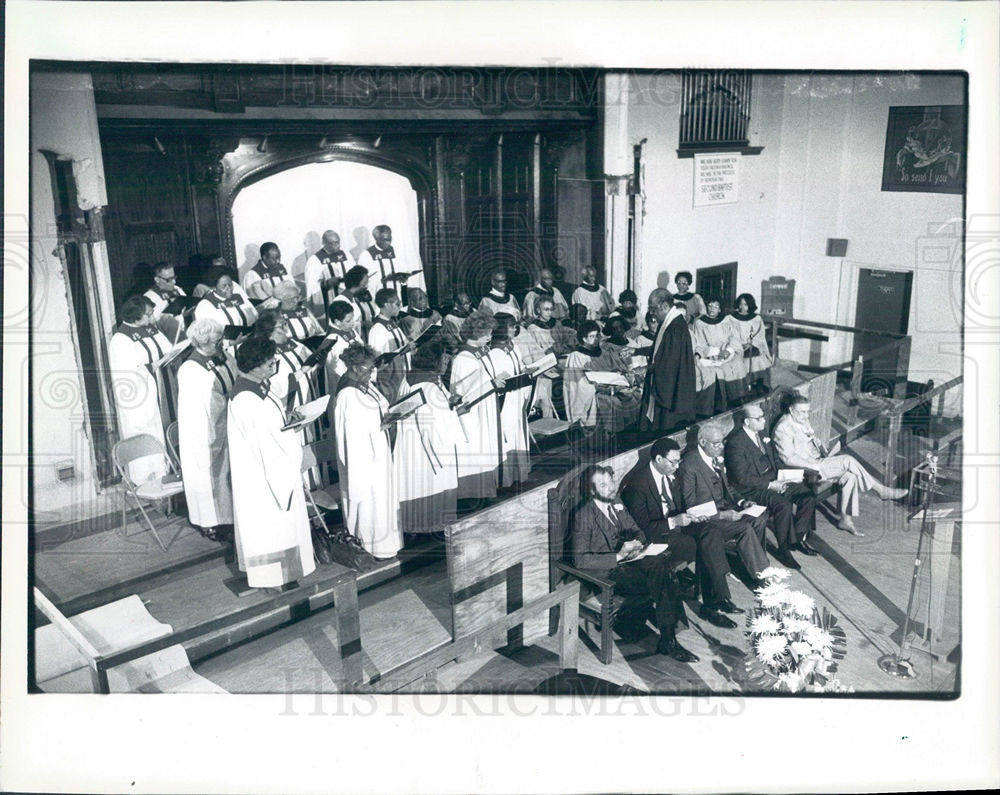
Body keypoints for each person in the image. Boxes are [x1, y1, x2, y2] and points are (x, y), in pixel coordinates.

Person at [572, 465, 698, 662]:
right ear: (591, 491)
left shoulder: (617, 501)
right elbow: (580, 560)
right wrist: (619, 555)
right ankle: (669, 636)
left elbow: (637, 529)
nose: (611, 488)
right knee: (664, 574)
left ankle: (667, 637)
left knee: (661, 565)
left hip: (631, 561)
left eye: (611, 481)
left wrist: (638, 542)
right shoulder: (584, 516)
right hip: (608, 572)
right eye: (603, 485)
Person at [621, 437, 743, 628]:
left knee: (710, 531)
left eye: (678, 461)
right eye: (674, 462)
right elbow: (642, 528)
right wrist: (673, 521)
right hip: (657, 536)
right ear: (659, 459)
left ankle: (718, 598)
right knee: (704, 546)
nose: (677, 466)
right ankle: (713, 604)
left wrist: (694, 515)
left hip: (678, 526)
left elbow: (680, 506)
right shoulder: (638, 485)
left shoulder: (672, 475)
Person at [227, 335, 315, 590]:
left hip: (274, 466)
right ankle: (274, 579)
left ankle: (288, 573)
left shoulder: (262, 387)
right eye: (268, 362)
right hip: (263, 476)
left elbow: (273, 426)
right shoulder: (246, 399)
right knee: (271, 527)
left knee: (284, 525)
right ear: (253, 365)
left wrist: (290, 419)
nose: (273, 365)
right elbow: (268, 444)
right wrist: (291, 432)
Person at [773, 394, 908, 536]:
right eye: (802, 412)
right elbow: (788, 458)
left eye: (807, 411)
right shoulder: (783, 428)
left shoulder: (801, 420)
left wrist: (820, 445)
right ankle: (881, 490)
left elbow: (809, 441)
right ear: (791, 409)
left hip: (818, 460)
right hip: (803, 470)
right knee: (847, 460)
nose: (806, 416)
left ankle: (845, 520)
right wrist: (815, 465)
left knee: (850, 476)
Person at [725, 404, 819, 569]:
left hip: (775, 479)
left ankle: (797, 538)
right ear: (747, 421)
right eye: (759, 418)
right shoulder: (736, 443)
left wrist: (785, 476)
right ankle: (783, 549)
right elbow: (741, 478)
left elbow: (774, 459)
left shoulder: (762, 434)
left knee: (808, 495)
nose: (763, 420)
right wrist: (770, 485)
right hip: (753, 489)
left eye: (763, 416)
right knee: (783, 505)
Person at [677, 423, 771, 589]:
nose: (721, 447)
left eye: (722, 442)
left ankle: (752, 566)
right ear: (702, 442)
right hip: (709, 519)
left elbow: (729, 488)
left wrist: (743, 502)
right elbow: (690, 507)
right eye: (716, 443)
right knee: (745, 529)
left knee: (760, 517)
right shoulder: (689, 466)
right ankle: (763, 580)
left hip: (727, 507)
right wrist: (722, 515)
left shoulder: (715, 458)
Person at [334, 343, 403, 559]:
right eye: (368, 368)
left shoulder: (364, 384)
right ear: (354, 368)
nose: (372, 372)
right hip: (365, 461)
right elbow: (352, 436)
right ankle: (371, 546)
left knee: (382, 502)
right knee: (370, 504)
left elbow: (378, 406)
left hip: (379, 452)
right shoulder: (347, 393)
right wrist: (379, 426)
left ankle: (387, 543)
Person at [395, 341, 465, 535]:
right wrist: (455, 412)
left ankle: (416, 525)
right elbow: (438, 426)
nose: (447, 363)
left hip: (412, 445)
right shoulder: (428, 386)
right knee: (432, 485)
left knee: (415, 485)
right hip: (430, 449)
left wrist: (448, 403)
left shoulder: (411, 377)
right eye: (444, 359)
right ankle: (432, 527)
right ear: (434, 361)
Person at [176, 318, 236, 540]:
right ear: (203, 342)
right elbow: (205, 404)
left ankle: (228, 517)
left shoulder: (223, 356)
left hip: (227, 422)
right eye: (216, 341)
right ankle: (211, 523)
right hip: (204, 430)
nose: (221, 345)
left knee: (225, 477)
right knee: (209, 476)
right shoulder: (191, 369)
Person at [109, 295, 172, 483]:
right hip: (143, 398)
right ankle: (148, 483)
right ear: (135, 316)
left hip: (164, 388)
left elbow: (167, 348)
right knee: (148, 440)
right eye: (148, 315)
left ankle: (166, 477)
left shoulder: (150, 329)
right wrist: (152, 367)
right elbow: (127, 374)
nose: (153, 319)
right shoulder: (120, 339)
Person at [449, 311, 501, 503]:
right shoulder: (463, 358)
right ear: (477, 333)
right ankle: (471, 495)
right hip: (472, 413)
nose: (490, 337)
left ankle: (485, 491)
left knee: (485, 450)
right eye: (487, 333)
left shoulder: (479, 353)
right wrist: (491, 383)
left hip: (485, 406)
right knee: (474, 451)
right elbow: (463, 393)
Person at [563, 320, 640, 433]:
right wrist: (605, 388)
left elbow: (617, 370)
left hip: (613, 388)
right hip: (595, 393)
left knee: (635, 397)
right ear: (584, 339)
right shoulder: (576, 357)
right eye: (592, 336)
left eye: (598, 335)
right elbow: (578, 385)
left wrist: (623, 380)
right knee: (614, 404)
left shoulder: (604, 352)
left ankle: (631, 433)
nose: (596, 339)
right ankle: (613, 437)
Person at [639, 289, 697, 433]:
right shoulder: (667, 323)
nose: (651, 313)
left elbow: (668, 364)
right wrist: (636, 351)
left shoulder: (676, 327)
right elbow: (659, 350)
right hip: (666, 383)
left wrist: (645, 369)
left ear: (664, 306)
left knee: (666, 428)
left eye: (653, 309)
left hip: (671, 390)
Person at [487, 314, 531, 488]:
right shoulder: (495, 352)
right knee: (508, 437)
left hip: (517, 398)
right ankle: (505, 480)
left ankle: (518, 475)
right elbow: (500, 379)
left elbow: (518, 367)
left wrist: (527, 371)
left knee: (518, 435)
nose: (515, 329)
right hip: (506, 401)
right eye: (511, 326)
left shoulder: (513, 347)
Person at [690, 295, 747, 416]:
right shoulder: (699, 323)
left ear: (720, 309)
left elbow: (734, 338)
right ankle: (716, 404)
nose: (712, 309)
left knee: (737, 364)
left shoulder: (727, 321)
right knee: (715, 371)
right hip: (710, 354)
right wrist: (709, 352)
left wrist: (728, 350)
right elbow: (698, 343)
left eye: (716, 307)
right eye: (709, 306)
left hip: (726, 353)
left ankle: (736, 397)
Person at [518, 296, 561, 418]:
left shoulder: (556, 324)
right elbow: (534, 352)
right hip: (543, 361)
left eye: (551, 309)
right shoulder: (533, 328)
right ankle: (548, 417)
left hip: (557, 357)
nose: (549, 312)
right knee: (546, 382)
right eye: (546, 309)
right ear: (538, 310)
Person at [357, 224, 425, 298]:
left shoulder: (395, 251)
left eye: (389, 239)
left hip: (397, 294)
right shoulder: (366, 255)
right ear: (376, 239)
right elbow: (362, 280)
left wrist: (404, 277)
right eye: (384, 240)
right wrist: (382, 281)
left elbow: (403, 270)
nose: (388, 243)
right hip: (379, 297)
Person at [368, 288, 412, 401]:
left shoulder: (392, 323)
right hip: (392, 382)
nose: (400, 306)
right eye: (397, 303)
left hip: (405, 377)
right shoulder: (377, 329)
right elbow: (379, 361)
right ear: (387, 305)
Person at [322, 301, 363, 413]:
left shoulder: (351, 331)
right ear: (337, 322)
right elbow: (337, 372)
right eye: (348, 321)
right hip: (348, 388)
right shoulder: (333, 340)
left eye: (352, 319)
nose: (352, 323)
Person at [304, 230, 353, 320]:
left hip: (348, 298)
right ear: (324, 243)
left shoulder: (346, 255)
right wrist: (326, 284)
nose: (336, 245)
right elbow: (312, 287)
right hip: (329, 301)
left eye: (337, 242)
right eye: (332, 243)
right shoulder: (315, 260)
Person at [730, 293, 773, 396]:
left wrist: (751, 344)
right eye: (741, 304)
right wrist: (739, 345)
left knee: (760, 359)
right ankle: (742, 387)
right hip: (737, 346)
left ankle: (760, 384)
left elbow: (760, 334)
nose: (743, 307)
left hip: (753, 345)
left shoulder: (756, 318)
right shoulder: (731, 318)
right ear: (738, 305)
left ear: (750, 305)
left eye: (746, 304)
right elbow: (731, 334)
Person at [193, 266, 258, 331]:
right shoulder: (205, 306)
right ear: (213, 287)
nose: (229, 289)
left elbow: (255, 316)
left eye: (230, 285)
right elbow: (205, 332)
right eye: (224, 286)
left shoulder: (238, 297)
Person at [143, 261, 189, 343]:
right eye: (169, 280)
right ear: (157, 280)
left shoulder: (177, 290)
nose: (174, 282)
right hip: (169, 338)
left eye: (174, 278)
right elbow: (156, 323)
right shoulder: (150, 297)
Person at [330, 265, 377, 338]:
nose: (368, 281)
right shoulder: (340, 300)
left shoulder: (364, 295)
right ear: (360, 282)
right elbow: (337, 325)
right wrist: (363, 324)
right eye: (366, 279)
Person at [440, 292, 473, 356]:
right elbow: (458, 337)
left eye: (469, 303)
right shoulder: (450, 318)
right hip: (460, 347)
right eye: (465, 304)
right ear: (456, 304)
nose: (468, 306)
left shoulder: (473, 311)